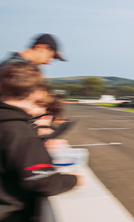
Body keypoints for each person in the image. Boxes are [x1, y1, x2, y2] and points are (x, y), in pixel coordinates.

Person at [0, 62, 79, 222]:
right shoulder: (20, 131)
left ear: (1, 87)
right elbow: (42, 181)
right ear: (37, 94)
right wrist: (74, 179)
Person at [0, 34, 66, 81]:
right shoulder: (15, 68)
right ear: (41, 47)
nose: (48, 62)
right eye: (51, 56)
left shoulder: (12, 64)